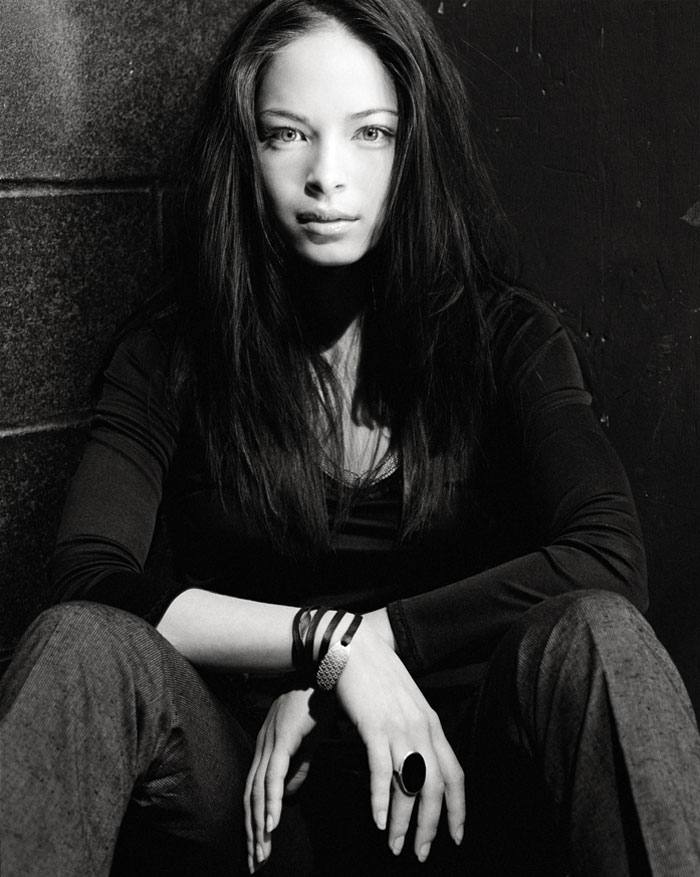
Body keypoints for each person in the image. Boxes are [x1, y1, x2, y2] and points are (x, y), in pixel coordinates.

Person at [2, 0, 700, 874]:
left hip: (453, 777)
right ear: (245, 153)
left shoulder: (507, 339)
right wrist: (324, 643)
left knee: (598, 636)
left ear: (414, 150)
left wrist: (364, 654)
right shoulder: (170, 354)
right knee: (80, 646)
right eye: (287, 135)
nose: (326, 175)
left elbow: (608, 554)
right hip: (258, 794)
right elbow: (90, 576)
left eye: (370, 134)